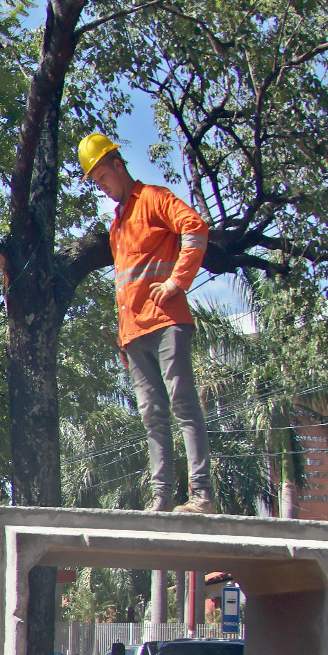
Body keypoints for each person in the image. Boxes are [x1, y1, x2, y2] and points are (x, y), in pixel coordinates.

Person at [78, 133, 214, 513]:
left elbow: (196, 227)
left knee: (183, 404)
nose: (102, 187)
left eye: (102, 177)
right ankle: (162, 499)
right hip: (134, 335)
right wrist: (124, 340)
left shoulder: (154, 198)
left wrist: (176, 282)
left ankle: (202, 495)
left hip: (167, 322)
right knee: (153, 417)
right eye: (96, 182)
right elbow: (126, 286)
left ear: (118, 165)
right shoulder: (117, 225)